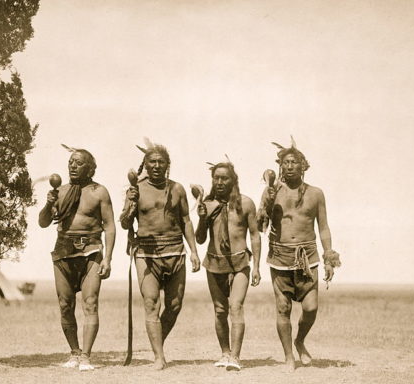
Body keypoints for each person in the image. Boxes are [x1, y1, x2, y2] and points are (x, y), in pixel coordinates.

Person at [258, 137, 340, 372]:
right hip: (280, 257)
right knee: (283, 308)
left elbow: (323, 227)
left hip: (307, 258)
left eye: (294, 162)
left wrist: (329, 257)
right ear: (280, 166)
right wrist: (266, 203)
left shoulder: (316, 194)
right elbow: (259, 226)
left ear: (303, 165)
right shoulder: (272, 192)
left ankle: (300, 340)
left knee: (311, 308)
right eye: (285, 162)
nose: (290, 166)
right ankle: (288, 357)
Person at [120, 140, 200, 370]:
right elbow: (125, 223)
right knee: (151, 303)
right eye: (152, 161)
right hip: (146, 254)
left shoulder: (177, 189)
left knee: (174, 305)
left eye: (160, 162)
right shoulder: (136, 189)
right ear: (145, 164)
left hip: (175, 251)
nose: (156, 165)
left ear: (167, 165)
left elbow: (186, 220)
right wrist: (130, 204)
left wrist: (194, 251)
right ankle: (159, 356)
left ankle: (158, 343)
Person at [39, 147, 115, 371]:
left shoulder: (99, 192)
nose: (72, 165)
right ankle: (74, 352)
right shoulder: (60, 192)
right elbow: (43, 222)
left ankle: (86, 357)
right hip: (63, 251)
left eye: (78, 162)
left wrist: (108, 258)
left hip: (91, 251)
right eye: (71, 161)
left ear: (90, 168)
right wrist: (48, 203)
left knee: (90, 303)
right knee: (65, 305)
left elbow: (109, 226)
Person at [195, 161, 261, 371]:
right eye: (217, 178)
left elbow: (255, 235)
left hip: (240, 261)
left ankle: (235, 356)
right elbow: (200, 238)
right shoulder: (208, 204)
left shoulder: (246, 203)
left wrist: (257, 266)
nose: (220, 182)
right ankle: (224, 352)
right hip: (214, 262)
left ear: (233, 180)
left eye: (225, 178)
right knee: (220, 310)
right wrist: (202, 218)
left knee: (236, 307)